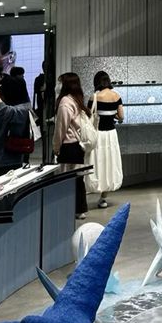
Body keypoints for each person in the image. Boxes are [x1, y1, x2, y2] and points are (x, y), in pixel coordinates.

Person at [53, 72, 89, 219]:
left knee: (66, 180)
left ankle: (67, 209)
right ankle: (80, 209)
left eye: (60, 82)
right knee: (78, 179)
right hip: (77, 146)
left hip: (68, 146)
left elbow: (61, 127)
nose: (58, 85)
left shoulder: (65, 102)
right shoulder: (76, 99)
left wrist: (56, 147)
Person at [86, 71, 124, 210]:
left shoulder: (94, 97)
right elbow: (121, 117)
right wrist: (112, 115)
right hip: (111, 135)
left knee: (97, 162)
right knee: (109, 162)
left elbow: (88, 116)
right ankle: (103, 198)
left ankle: (94, 187)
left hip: (98, 134)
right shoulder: (116, 96)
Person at [0, 74, 32, 179]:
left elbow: (4, 112)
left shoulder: (22, 109)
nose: (0, 95)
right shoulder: (1, 108)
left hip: (10, 161)